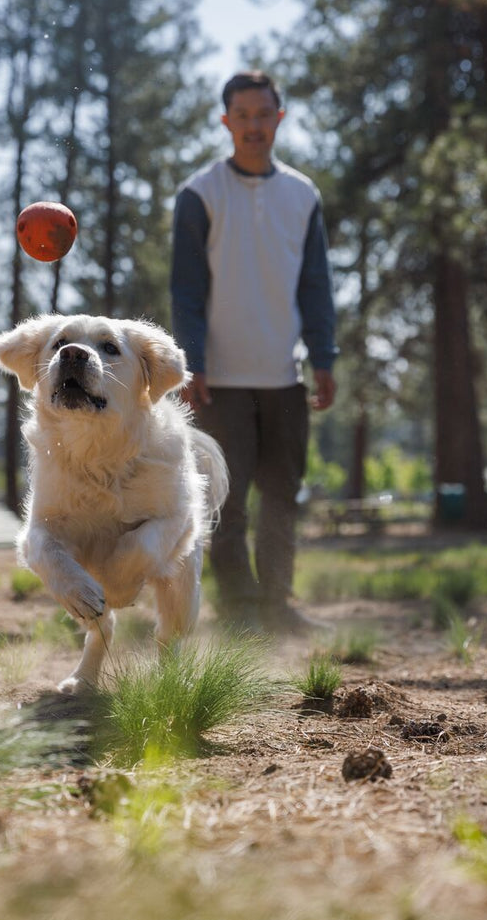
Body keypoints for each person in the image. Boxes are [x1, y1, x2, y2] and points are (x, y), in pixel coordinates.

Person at [170, 70, 338, 633]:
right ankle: (240, 610)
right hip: (218, 380)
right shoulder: (199, 195)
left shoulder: (302, 195)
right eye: (241, 116)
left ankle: (279, 607)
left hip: (282, 376)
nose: (253, 126)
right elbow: (186, 290)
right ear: (225, 122)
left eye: (263, 115)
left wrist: (324, 357)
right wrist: (192, 361)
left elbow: (315, 284)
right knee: (226, 499)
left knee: (282, 495)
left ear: (279, 119)